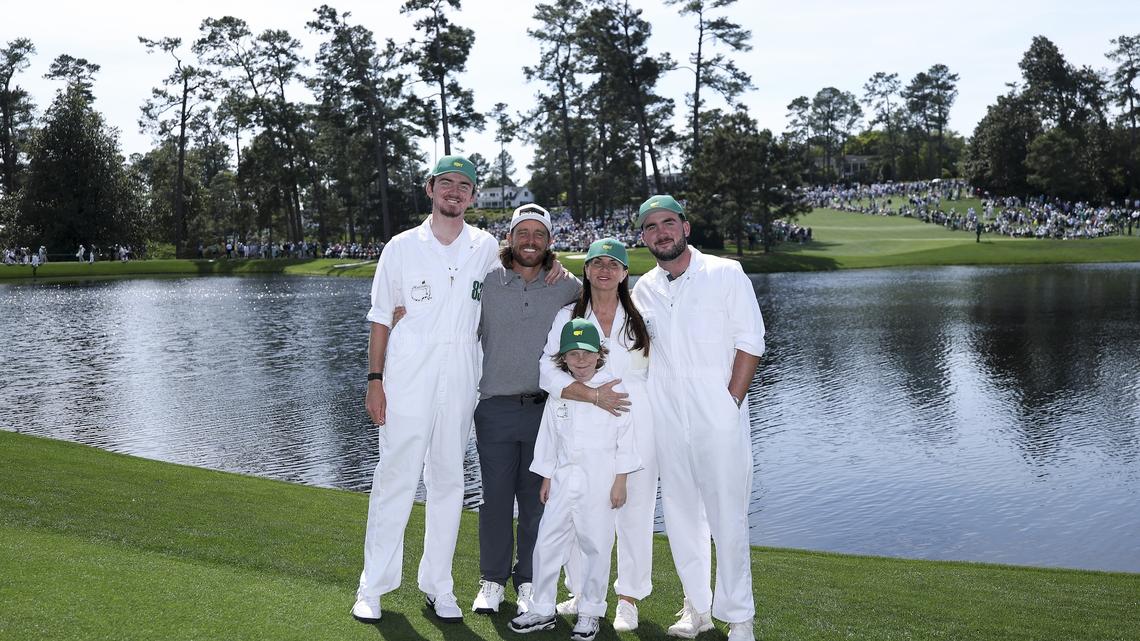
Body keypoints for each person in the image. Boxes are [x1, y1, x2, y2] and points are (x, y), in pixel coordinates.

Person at [352, 155, 500, 625]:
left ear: (473, 196)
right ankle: (372, 586)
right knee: (395, 477)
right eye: (446, 184)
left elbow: (522, 278)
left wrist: (558, 270)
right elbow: (381, 317)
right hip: (407, 375)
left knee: (449, 481)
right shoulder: (400, 247)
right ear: (431, 189)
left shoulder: (486, 247)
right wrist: (375, 380)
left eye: (464, 186)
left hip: (460, 377)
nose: (455, 192)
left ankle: (438, 585)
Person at [631, 195, 765, 641]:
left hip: (718, 418)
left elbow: (751, 343)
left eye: (669, 223)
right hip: (668, 421)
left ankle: (739, 617)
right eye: (651, 227)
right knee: (682, 518)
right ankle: (697, 609)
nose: (661, 232)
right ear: (644, 237)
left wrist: (730, 404)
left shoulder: (726, 274)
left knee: (728, 518)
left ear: (686, 228)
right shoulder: (643, 289)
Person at [538, 237, 655, 632]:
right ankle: (582, 591)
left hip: (636, 422)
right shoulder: (568, 314)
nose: (604, 270)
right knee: (578, 511)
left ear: (625, 272)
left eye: (613, 263)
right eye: (596, 263)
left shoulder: (642, 312)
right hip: (582, 422)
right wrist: (590, 395)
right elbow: (548, 370)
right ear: (586, 270)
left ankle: (628, 597)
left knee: (633, 510)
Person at [471, 203, 580, 616]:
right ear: (510, 237)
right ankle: (492, 581)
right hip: (495, 408)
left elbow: (603, 301)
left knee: (536, 501)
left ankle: (530, 581)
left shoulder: (566, 286)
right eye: (523, 233)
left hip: (545, 412)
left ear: (550, 241)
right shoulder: (487, 281)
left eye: (539, 234)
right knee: (494, 500)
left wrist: (568, 269)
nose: (530, 241)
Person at [509, 318, 639, 641]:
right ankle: (541, 608)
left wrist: (620, 480)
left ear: (599, 353)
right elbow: (550, 438)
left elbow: (626, 438)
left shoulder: (614, 389)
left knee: (596, 546)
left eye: (586, 353)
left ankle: (591, 612)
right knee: (548, 543)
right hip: (564, 482)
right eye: (572, 354)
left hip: (600, 483)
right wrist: (546, 477)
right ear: (562, 358)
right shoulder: (561, 394)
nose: (580, 360)